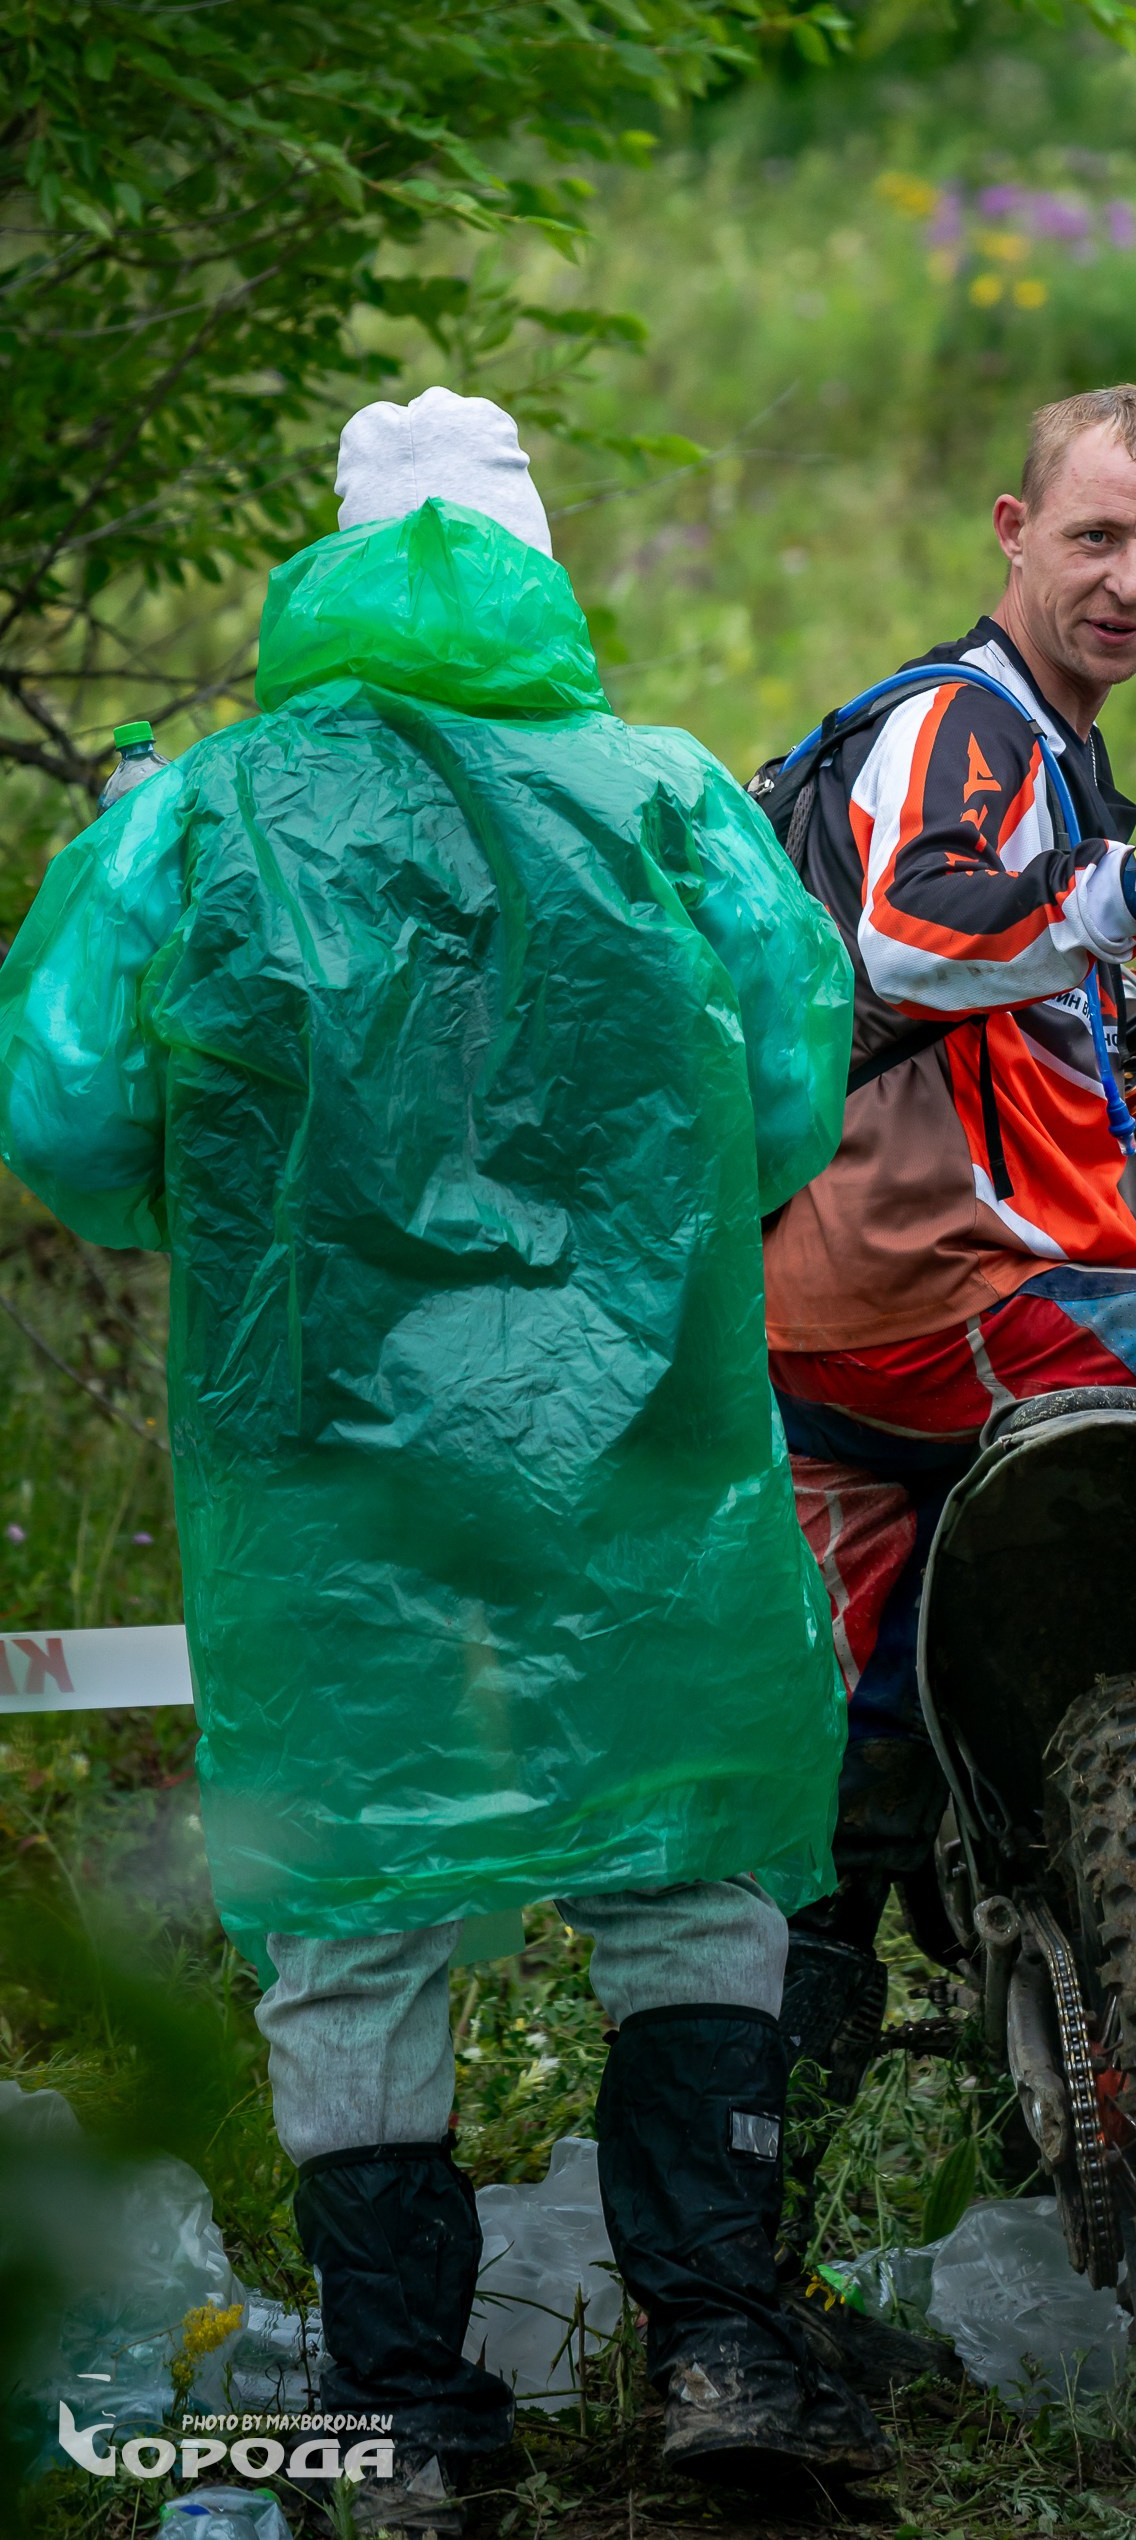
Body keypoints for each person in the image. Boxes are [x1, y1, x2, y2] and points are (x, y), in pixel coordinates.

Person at [0, 392, 869, 2523]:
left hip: (321, 1457)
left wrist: (241, 1220)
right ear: (541, 570)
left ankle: (407, 2407)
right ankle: (723, 2351)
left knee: (359, 1891)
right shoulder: (664, 797)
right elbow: (784, 1091)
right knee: (682, 1854)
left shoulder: (189, 825)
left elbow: (73, 1121)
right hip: (638, 1443)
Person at [756, 383, 1136, 2095]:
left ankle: (747, 2263)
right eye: (1094, 536)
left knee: (850, 1770)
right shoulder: (965, 720)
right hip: (968, 1299)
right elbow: (919, 938)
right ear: (1013, 532)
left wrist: (1134, 998)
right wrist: (1127, 892)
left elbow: (967, 1001)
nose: (1131, 582)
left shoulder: (1036, 745)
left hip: (824, 1324)